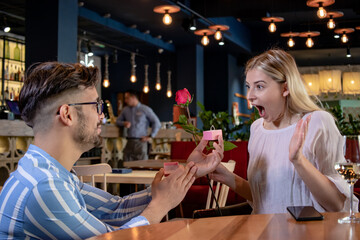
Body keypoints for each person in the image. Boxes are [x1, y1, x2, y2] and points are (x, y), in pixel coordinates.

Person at [0, 62, 224, 239]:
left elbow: (114, 209)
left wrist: (189, 171)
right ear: (67, 114)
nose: (102, 116)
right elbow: (110, 239)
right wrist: (160, 206)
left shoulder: (54, 174)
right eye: (97, 106)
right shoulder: (44, 186)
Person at [210, 49, 358, 214]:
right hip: (264, 232)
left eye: (259, 86)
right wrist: (229, 178)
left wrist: (298, 160)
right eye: (248, 87)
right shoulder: (257, 129)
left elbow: (336, 203)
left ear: (285, 88)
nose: (250, 96)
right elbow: (264, 198)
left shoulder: (318, 122)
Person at [116, 90, 161, 161]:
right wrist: (124, 123)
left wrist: (151, 136)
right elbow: (117, 121)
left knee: (142, 167)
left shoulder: (145, 109)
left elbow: (157, 122)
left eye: (127, 98)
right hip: (129, 142)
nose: (125, 101)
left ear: (133, 97)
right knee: (126, 165)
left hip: (141, 142)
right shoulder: (125, 110)